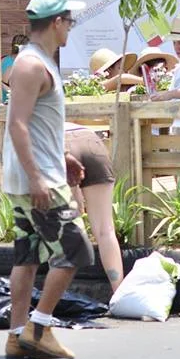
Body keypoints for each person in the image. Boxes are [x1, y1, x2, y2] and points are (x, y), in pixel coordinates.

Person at [1, 0, 92, 359]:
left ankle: (16, 336)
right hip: (40, 181)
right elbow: (17, 125)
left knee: (27, 256)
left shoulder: (40, 62)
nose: (71, 26)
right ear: (56, 22)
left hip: (39, 173)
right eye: (69, 21)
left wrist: (64, 154)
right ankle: (39, 328)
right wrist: (38, 177)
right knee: (76, 249)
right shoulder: (31, 65)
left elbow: (40, 123)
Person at [64, 122, 123, 292]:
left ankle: (61, 297)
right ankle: (119, 293)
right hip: (91, 140)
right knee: (106, 230)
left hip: (61, 146)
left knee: (63, 229)